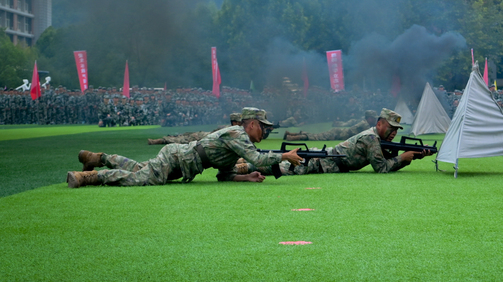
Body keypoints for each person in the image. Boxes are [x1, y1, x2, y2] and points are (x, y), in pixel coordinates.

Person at [66, 107, 302, 188]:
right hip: (178, 158)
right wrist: (284, 155)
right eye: (263, 127)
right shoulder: (237, 133)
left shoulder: (237, 142)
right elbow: (257, 158)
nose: (265, 132)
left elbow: (224, 175)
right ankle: (89, 177)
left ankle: (99, 157)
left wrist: (246, 178)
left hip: (181, 163)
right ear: (251, 124)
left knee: (139, 169)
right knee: (142, 180)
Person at [276, 108, 432, 176]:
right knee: (279, 168)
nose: (394, 133)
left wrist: (415, 155)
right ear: (379, 124)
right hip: (320, 162)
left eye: (397, 129)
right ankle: (251, 166)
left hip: (327, 161)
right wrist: (403, 158)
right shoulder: (371, 138)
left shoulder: (376, 139)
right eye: (391, 128)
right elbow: (382, 168)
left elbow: (386, 160)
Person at [146, 113, 243, 145]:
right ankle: (158, 141)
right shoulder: (234, 129)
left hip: (205, 136)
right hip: (205, 137)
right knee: (182, 138)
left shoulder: (232, 128)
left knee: (183, 137)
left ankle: (159, 140)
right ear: (235, 122)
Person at [284, 110, 378, 142]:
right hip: (337, 134)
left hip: (338, 133)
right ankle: (292, 137)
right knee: (317, 137)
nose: (375, 120)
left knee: (317, 135)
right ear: (369, 118)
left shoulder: (364, 123)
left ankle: (291, 134)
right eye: (373, 118)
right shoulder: (365, 124)